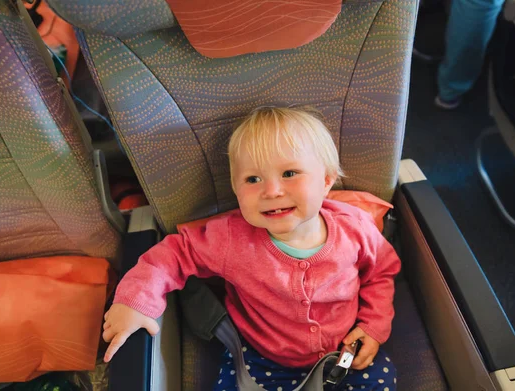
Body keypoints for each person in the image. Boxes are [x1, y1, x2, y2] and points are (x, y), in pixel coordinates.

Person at [101, 106, 401, 391]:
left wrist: (373, 325)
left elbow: (381, 273)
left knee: (380, 379)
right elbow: (171, 256)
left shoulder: (355, 228)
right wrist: (134, 301)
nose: (271, 191)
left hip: (343, 349)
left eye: (289, 173)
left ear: (325, 181)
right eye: (253, 179)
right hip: (261, 353)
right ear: (236, 189)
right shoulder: (231, 238)